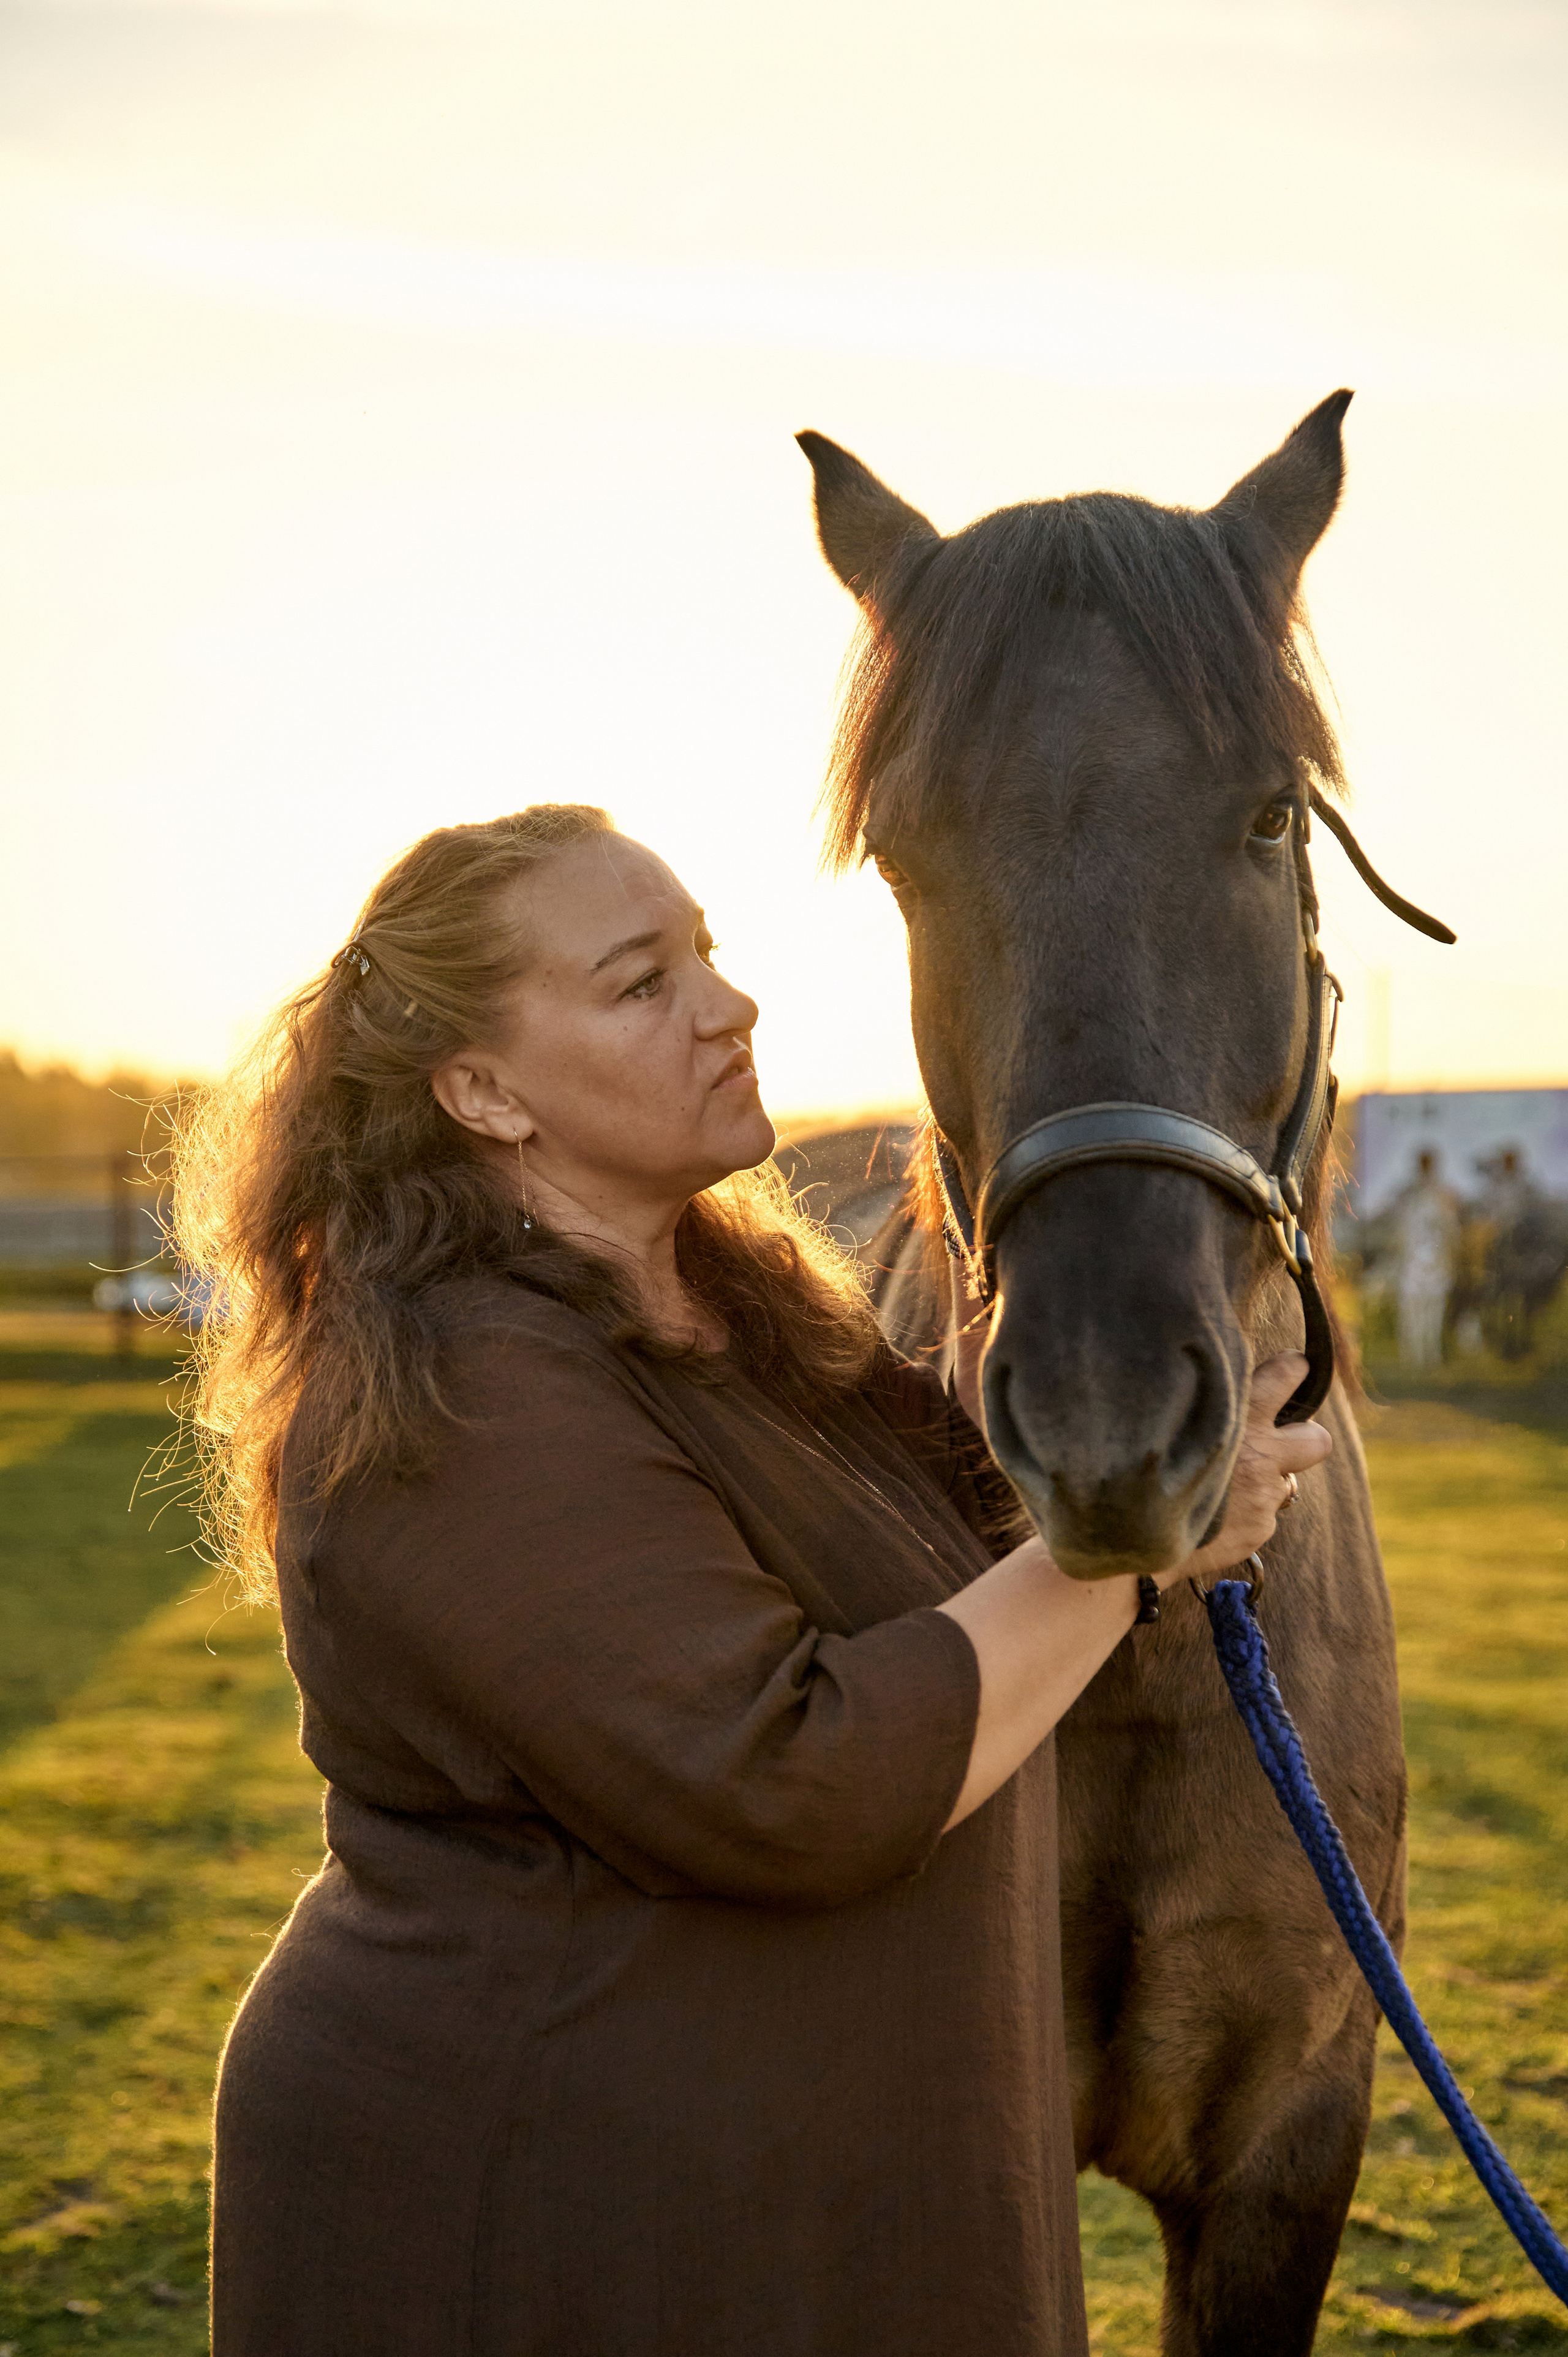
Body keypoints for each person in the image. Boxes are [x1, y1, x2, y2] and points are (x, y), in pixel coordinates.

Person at [178, 804, 1327, 2357]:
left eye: (706, 952)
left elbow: (967, 1568)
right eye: (641, 982)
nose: (730, 1005)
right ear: (484, 1092)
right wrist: (1129, 1554)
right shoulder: (457, 1393)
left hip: (759, 2193)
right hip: (545, 2209)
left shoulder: (741, 1319)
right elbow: (789, 1778)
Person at [1393, 1147, 1460, 1369]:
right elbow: (1401, 1232)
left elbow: (1451, 1231)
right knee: (1412, 1309)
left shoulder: (1444, 1194)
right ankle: (1413, 1354)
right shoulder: (1408, 1194)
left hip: (1436, 1261)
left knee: (1434, 1310)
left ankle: (1431, 1354)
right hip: (1413, 1262)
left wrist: (1449, 1258)